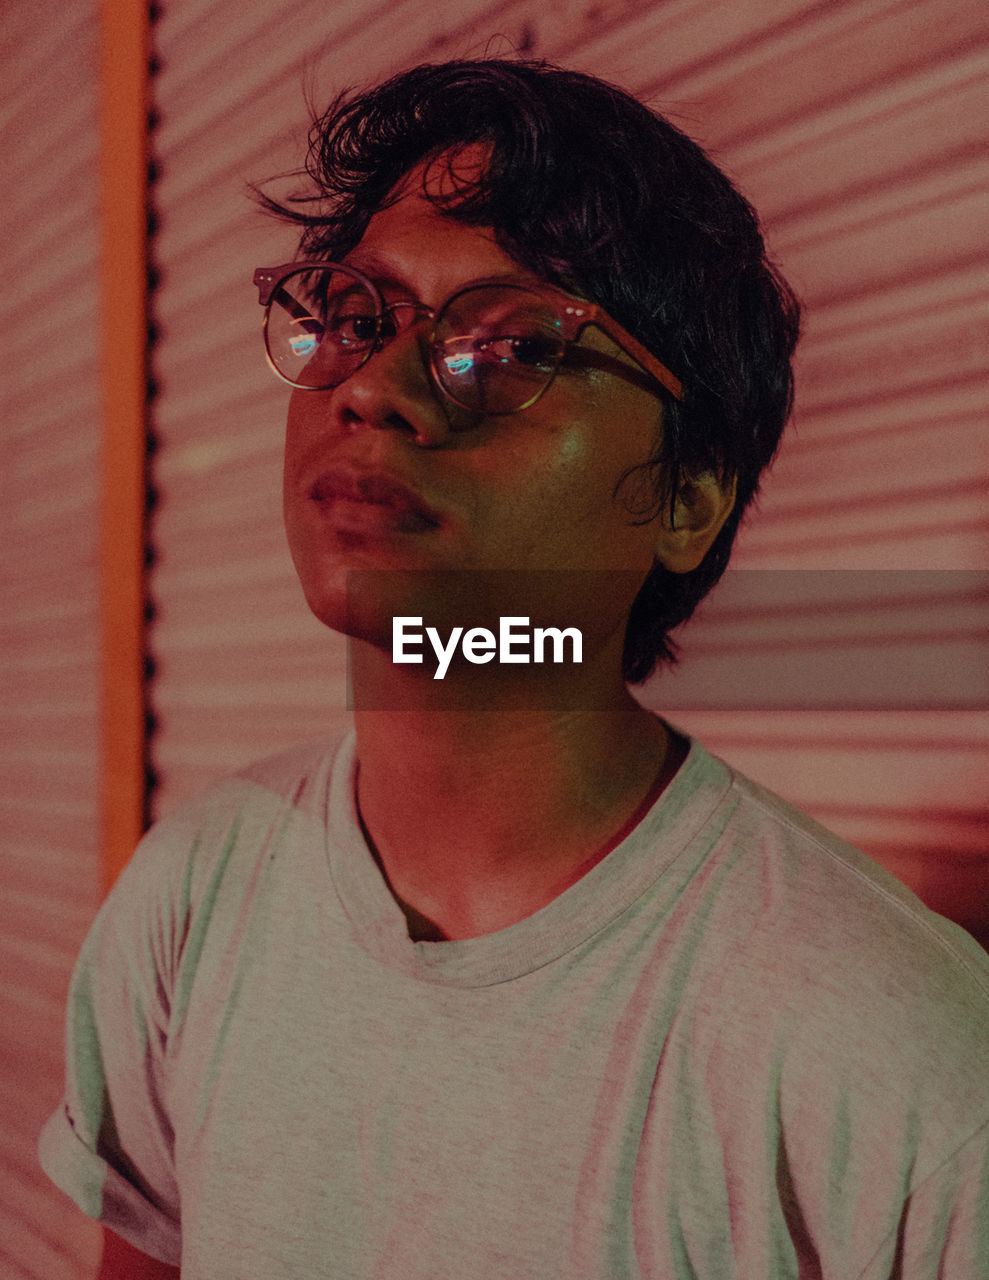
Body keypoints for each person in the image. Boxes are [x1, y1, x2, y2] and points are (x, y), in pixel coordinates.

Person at [41, 58, 988, 1279]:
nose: (374, 388)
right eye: (353, 315)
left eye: (505, 345)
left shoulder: (881, 1045)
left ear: (686, 496)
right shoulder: (196, 898)